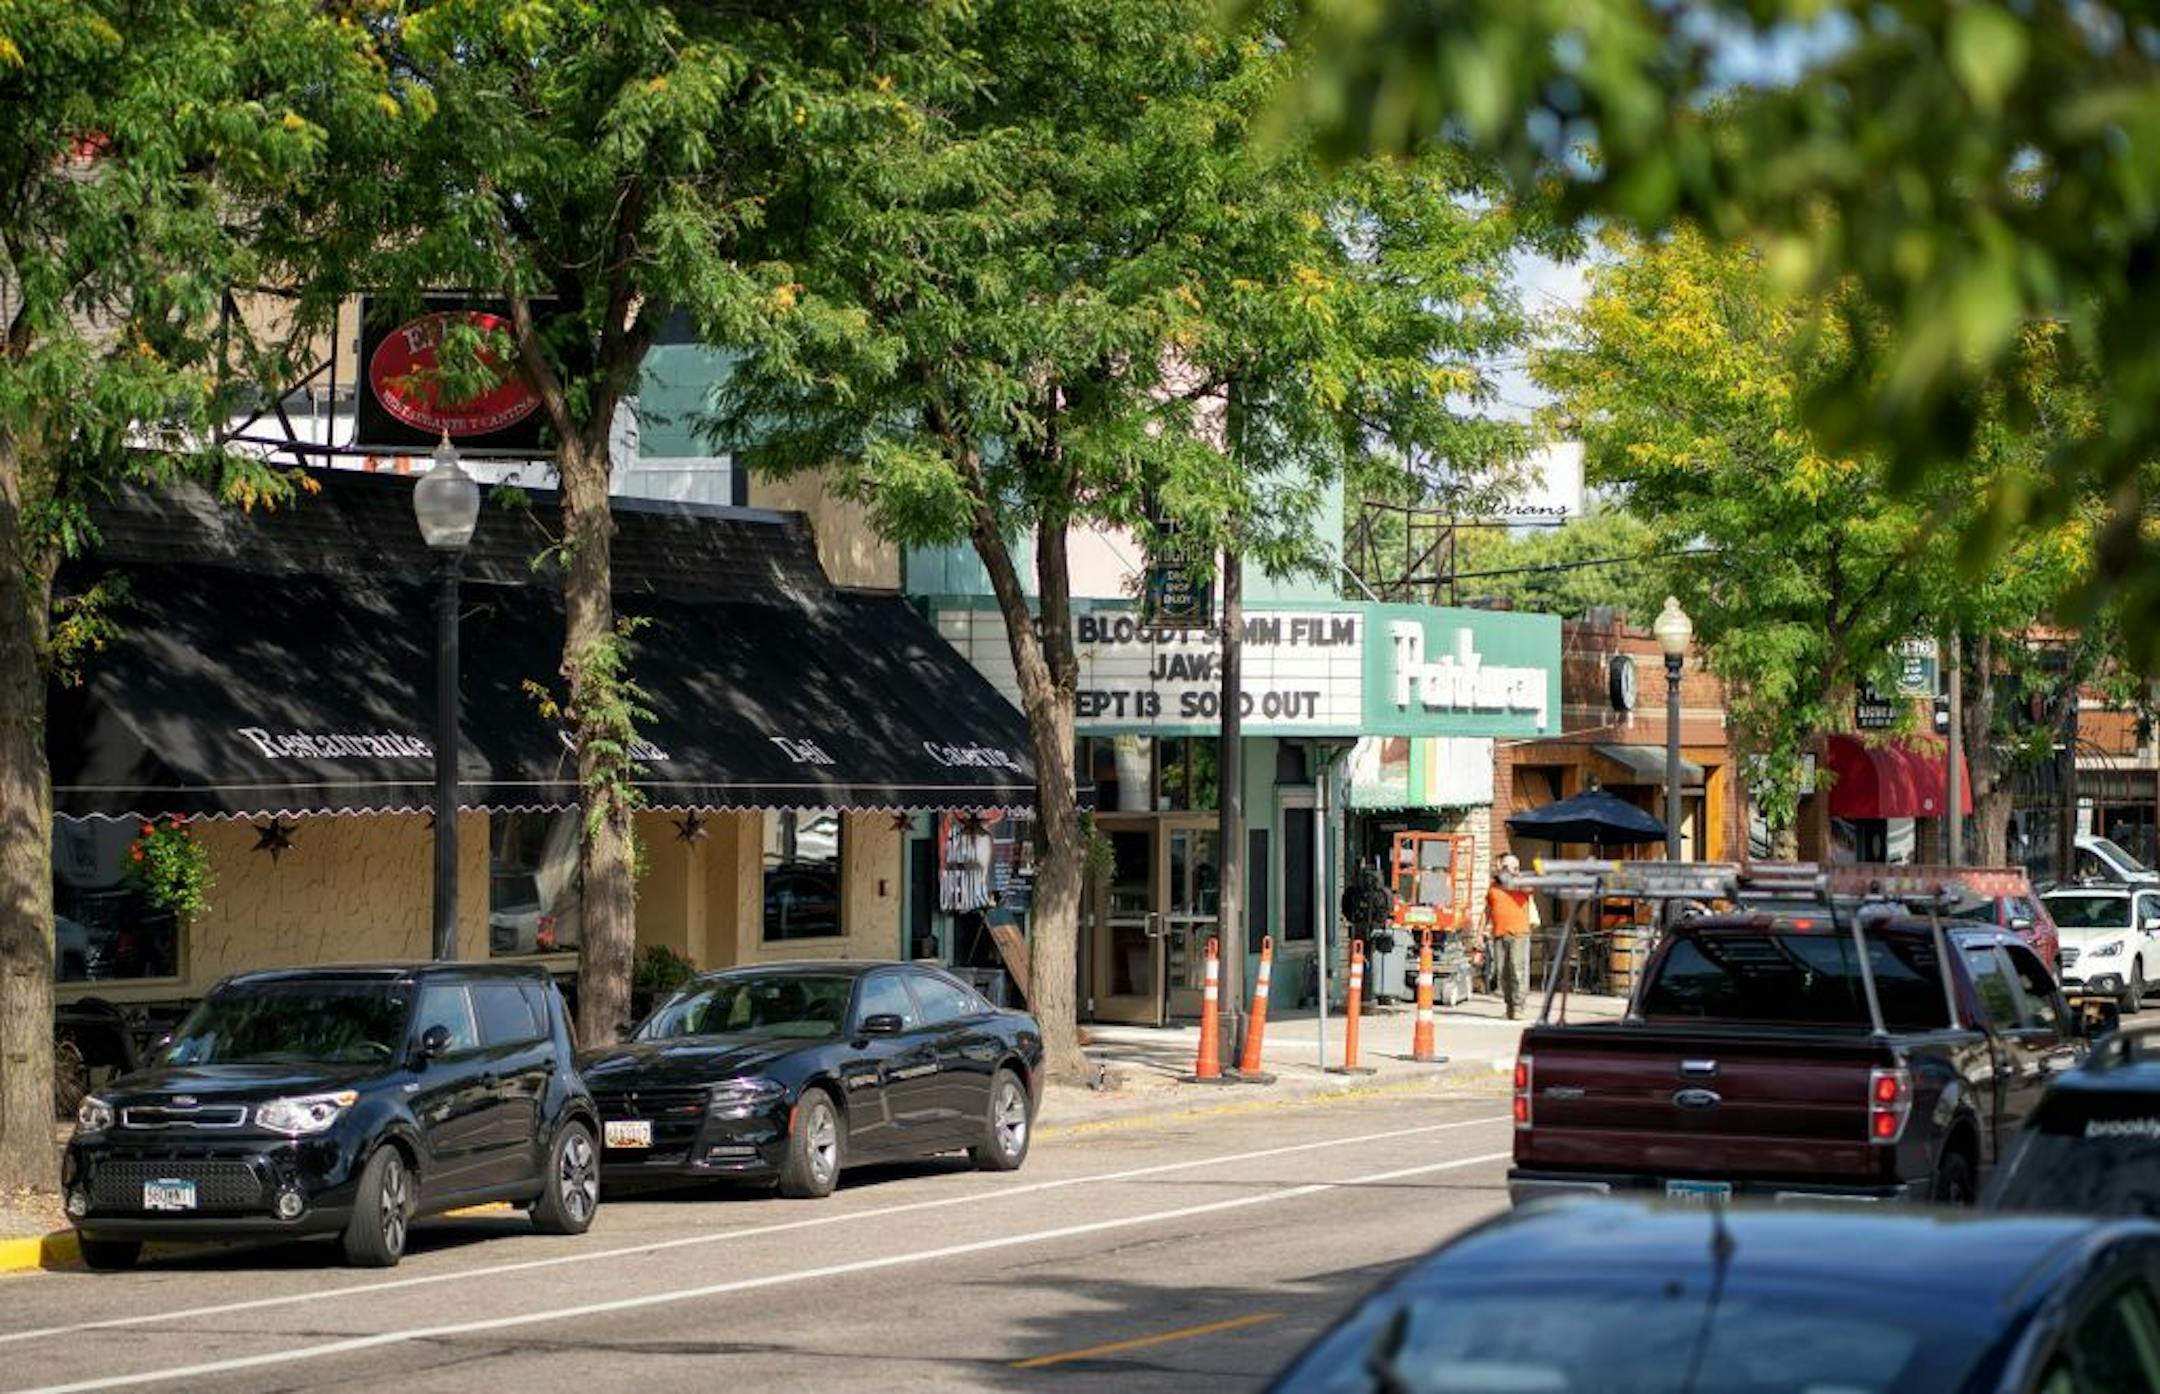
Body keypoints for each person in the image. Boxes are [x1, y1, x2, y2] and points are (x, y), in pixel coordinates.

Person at [1484, 853, 1538, 1020]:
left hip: (1518, 932)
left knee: (1517, 969)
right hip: (1499, 932)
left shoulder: (1523, 883)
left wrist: (1512, 877)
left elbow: (1529, 889)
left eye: (1510, 867)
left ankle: (1519, 1006)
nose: (1505, 870)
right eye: (1504, 867)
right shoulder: (1494, 886)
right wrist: (1483, 930)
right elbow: (1488, 909)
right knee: (1503, 972)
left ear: (1516, 868)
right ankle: (1509, 1007)